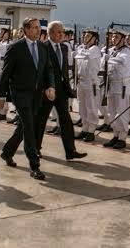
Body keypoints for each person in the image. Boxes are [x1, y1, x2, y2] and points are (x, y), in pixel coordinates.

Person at [0, 17, 56, 180]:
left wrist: (50, 86)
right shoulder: (15, 48)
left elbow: (48, 69)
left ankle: (7, 152)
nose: (39, 31)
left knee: (24, 126)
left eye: (39, 28)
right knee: (29, 126)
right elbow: (6, 73)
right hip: (20, 93)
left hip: (37, 94)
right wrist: (1, 95)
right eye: (35, 28)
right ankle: (34, 165)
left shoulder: (43, 48)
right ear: (26, 30)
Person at [35, 21, 86, 161]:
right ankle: (35, 149)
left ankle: (70, 151)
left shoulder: (64, 47)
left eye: (62, 32)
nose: (62, 34)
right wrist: (46, 88)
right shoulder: (43, 47)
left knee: (66, 120)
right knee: (41, 119)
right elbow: (40, 70)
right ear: (50, 33)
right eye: (58, 32)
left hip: (62, 89)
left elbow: (64, 68)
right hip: (48, 90)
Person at [102, 27, 130, 149]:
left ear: (123, 39)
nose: (113, 39)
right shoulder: (112, 50)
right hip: (112, 84)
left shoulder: (126, 51)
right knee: (112, 112)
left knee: (122, 111)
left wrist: (109, 58)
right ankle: (115, 135)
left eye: (117, 37)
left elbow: (121, 61)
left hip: (122, 85)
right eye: (113, 37)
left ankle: (122, 137)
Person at [74, 28, 102, 142]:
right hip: (81, 81)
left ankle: (91, 130)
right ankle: (85, 128)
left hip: (91, 82)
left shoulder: (94, 49)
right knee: (82, 107)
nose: (85, 37)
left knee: (91, 107)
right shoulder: (83, 48)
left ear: (94, 38)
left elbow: (83, 55)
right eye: (84, 35)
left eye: (88, 36)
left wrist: (78, 52)